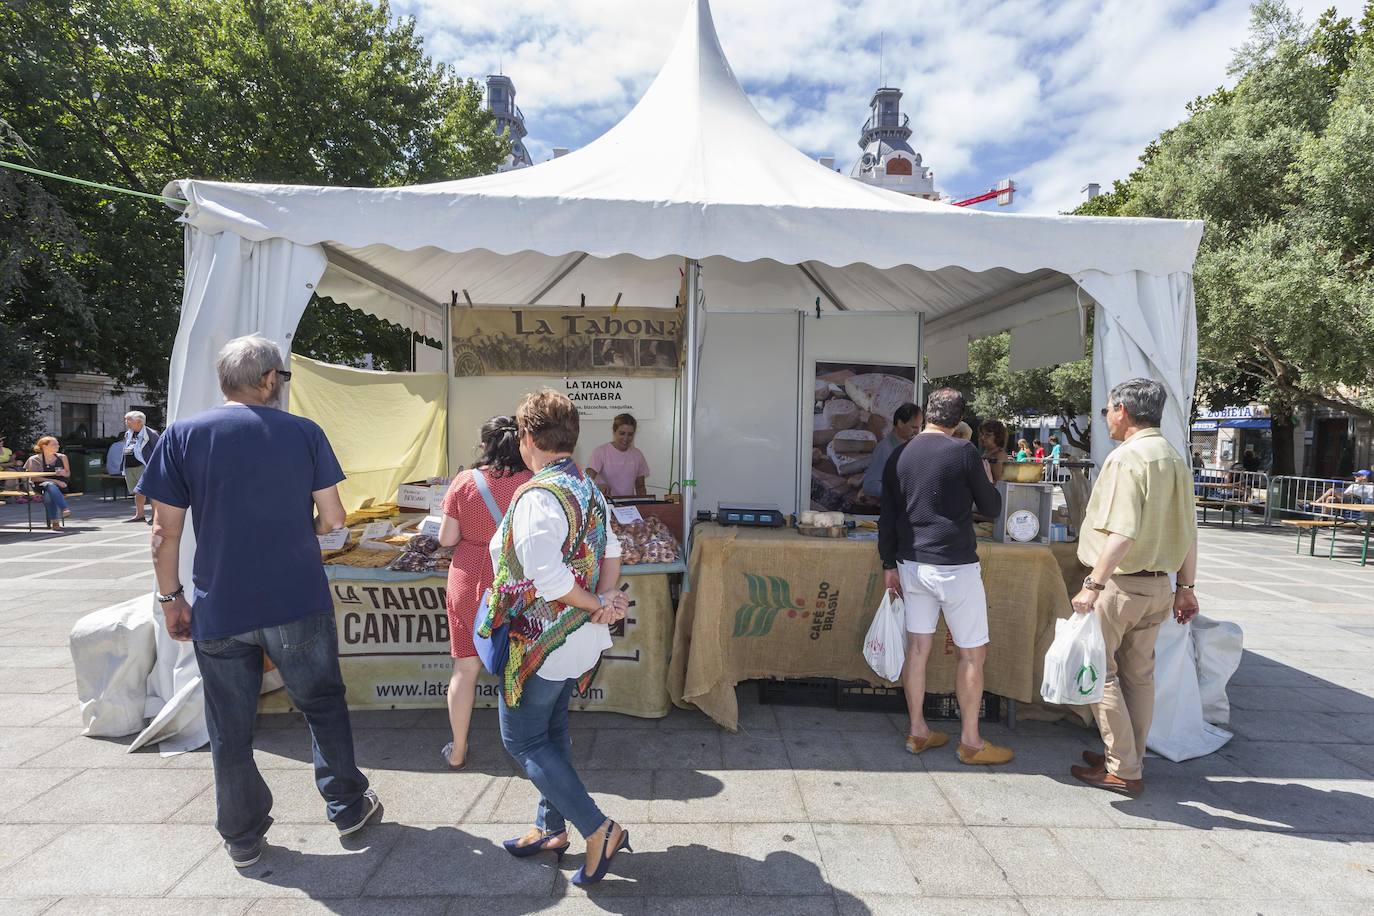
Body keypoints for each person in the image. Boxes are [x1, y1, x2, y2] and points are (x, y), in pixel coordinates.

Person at [137, 335, 380, 868]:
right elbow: (334, 520)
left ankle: (242, 834)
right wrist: (303, 529)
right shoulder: (303, 433)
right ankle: (346, 806)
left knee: (229, 724)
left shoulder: (180, 435)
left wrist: (170, 598)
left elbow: (164, 533)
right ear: (269, 379)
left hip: (219, 603)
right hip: (295, 596)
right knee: (321, 704)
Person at [479, 388, 633, 886]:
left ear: (527, 437)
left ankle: (598, 828)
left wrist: (595, 604)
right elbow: (612, 549)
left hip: (541, 642)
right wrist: (604, 602)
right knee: (553, 731)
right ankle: (551, 826)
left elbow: (546, 577)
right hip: (578, 638)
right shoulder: (588, 487)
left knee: (521, 737)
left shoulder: (538, 495)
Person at [1070, 378, 1199, 797]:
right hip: (1159, 585)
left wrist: (1093, 584)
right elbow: (1190, 532)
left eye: (1108, 409)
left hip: (1121, 586)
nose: (1105, 416)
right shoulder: (1173, 457)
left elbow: (1121, 533)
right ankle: (1128, 756)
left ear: (1123, 410)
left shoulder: (1128, 459)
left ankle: (1124, 766)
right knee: (1138, 677)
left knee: (1098, 672)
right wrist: (1187, 586)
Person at [879, 388, 1012, 766]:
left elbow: (887, 516)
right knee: (972, 653)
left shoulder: (899, 454)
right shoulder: (964, 452)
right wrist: (985, 479)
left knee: (918, 649)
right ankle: (970, 740)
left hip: (911, 563)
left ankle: (917, 731)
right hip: (955, 565)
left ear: (928, 414)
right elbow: (991, 509)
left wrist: (888, 564)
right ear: (957, 420)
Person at [436, 416, 533, 769]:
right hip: (515, 578)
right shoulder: (531, 482)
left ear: (485, 445)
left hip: (467, 578)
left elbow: (446, 539)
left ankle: (458, 749)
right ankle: (528, 752)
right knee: (519, 667)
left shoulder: (465, 481)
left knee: (465, 668)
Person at [861, 403, 922, 500]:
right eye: (914, 427)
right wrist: (900, 491)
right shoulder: (884, 449)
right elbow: (869, 485)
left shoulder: (914, 446)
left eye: (919, 427)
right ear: (900, 423)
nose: (917, 432)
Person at [586, 413, 649, 498]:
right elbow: (585, 482)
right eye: (622, 433)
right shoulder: (601, 452)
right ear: (614, 431)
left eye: (630, 434)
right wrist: (598, 487)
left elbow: (640, 487)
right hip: (606, 506)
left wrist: (644, 507)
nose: (626, 438)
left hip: (629, 507)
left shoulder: (637, 455)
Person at [24, 436, 72, 531]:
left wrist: (64, 473)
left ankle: (55, 521)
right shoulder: (34, 459)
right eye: (54, 444)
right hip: (40, 484)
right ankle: (64, 508)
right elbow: (34, 478)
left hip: (61, 485)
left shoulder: (62, 457)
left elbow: (68, 473)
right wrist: (56, 481)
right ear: (44, 446)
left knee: (48, 494)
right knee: (49, 486)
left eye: (57, 444)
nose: (57, 446)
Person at [120, 410, 161, 524]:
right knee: (138, 491)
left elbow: (158, 450)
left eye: (128, 419)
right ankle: (139, 515)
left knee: (151, 491)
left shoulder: (151, 433)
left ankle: (155, 517)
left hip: (144, 466)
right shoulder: (128, 433)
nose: (126, 422)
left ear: (138, 422)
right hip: (129, 466)